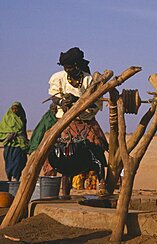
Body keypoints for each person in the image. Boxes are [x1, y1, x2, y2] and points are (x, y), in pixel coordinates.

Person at [48, 47, 108, 197]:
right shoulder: (59, 77)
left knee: (97, 149)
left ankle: (102, 184)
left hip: (86, 121)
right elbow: (54, 96)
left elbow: (96, 103)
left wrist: (77, 101)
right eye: (65, 68)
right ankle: (64, 191)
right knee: (64, 155)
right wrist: (61, 101)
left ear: (77, 65)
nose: (67, 71)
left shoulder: (89, 80)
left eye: (70, 67)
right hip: (66, 122)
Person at [0, 102, 29, 181]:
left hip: (19, 144)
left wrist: (24, 139)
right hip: (9, 145)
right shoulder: (6, 118)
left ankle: (16, 179)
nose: (15, 110)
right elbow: (1, 131)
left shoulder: (22, 118)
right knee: (9, 163)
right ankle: (9, 179)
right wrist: (8, 135)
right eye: (13, 109)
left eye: (16, 109)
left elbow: (23, 131)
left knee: (18, 162)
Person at [28, 103, 58, 176]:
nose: (54, 111)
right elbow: (40, 132)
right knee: (48, 165)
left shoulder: (58, 118)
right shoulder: (47, 118)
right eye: (53, 109)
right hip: (47, 145)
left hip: (55, 146)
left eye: (56, 109)